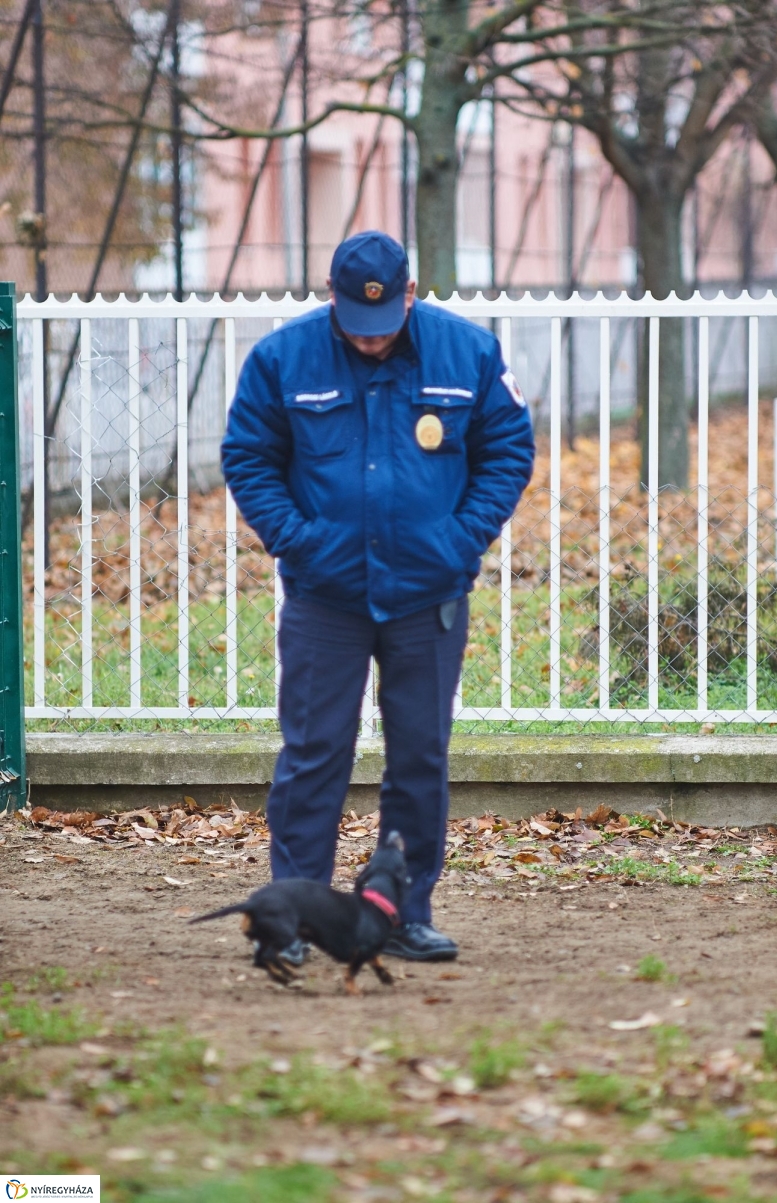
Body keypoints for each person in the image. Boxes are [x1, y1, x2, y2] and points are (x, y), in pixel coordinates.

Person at [221, 230, 534, 962]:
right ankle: (293, 918)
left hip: (428, 594)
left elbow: (509, 449)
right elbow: (249, 456)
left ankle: (399, 913)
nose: (371, 339)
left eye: (387, 323)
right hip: (324, 596)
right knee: (314, 755)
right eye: (358, 326)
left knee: (420, 757)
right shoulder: (282, 358)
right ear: (330, 296)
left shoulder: (469, 354)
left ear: (411, 296)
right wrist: (298, 539)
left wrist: (460, 541)